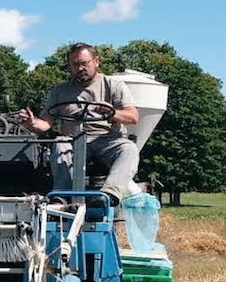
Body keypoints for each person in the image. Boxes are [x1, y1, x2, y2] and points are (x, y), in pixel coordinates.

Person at [15, 42, 140, 205]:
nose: (80, 68)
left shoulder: (113, 86)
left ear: (96, 62)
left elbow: (133, 117)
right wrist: (31, 122)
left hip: (108, 140)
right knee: (60, 143)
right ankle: (62, 195)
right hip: (73, 141)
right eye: (75, 65)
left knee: (129, 148)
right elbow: (45, 124)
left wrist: (113, 113)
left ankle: (109, 194)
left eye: (84, 63)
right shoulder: (59, 91)